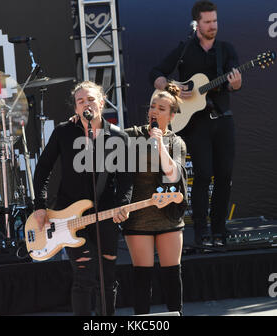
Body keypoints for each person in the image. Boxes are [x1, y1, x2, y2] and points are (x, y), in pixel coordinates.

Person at [32, 80, 133, 316]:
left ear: (101, 101)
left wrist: (123, 205)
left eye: (90, 99)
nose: (86, 104)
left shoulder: (117, 136)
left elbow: (127, 178)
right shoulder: (64, 132)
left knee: (107, 278)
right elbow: (43, 169)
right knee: (84, 276)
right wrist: (40, 206)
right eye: (80, 101)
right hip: (70, 216)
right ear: (75, 109)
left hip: (105, 215)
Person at [149, 1, 242, 247]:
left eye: (215, 21)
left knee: (224, 176)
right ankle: (201, 231)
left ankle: (220, 229)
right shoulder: (184, 50)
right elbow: (155, 73)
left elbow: (235, 83)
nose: (213, 26)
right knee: (202, 176)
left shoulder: (226, 50)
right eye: (208, 22)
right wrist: (172, 86)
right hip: (196, 124)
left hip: (223, 119)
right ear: (197, 24)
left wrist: (235, 82)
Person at [122, 82, 187, 315]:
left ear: (171, 115)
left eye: (161, 108)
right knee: (142, 277)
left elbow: (173, 174)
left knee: (172, 275)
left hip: (168, 217)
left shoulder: (176, 142)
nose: (154, 111)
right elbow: (103, 137)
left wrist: (160, 144)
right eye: (152, 107)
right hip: (138, 217)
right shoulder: (131, 135)